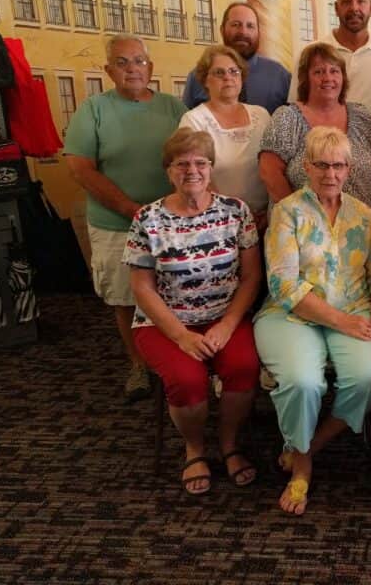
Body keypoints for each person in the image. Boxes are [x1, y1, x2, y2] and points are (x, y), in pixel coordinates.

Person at [255, 126, 371, 516]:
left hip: (356, 307)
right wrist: (342, 322)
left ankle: (306, 445)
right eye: (321, 165)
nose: (330, 174)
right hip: (292, 317)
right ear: (306, 166)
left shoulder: (362, 214)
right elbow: (284, 286)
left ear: (349, 169)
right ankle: (302, 466)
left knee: (368, 378)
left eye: (338, 165)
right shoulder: (287, 211)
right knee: (303, 382)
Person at [124, 128, 261, 495]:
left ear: (211, 168)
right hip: (164, 322)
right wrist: (181, 335)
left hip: (224, 315)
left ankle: (229, 442)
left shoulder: (237, 211)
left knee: (244, 366)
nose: (192, 170)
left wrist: (229, 324)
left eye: (200, 162)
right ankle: (195, 447)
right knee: (187, 381)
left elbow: (251, 277)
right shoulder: (147, 219)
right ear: (168, 171)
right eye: (181, 163)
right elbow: (141, 287)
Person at [64, 35, 186, 402]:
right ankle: (138, 366)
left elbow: (192, 158)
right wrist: (131, 209)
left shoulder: (173, 109)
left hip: (171, 224)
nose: (132, 69)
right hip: (117, 223)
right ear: (108, 70)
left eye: (139, 61)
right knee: (126, 297)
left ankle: (175, 356)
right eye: (122, 62)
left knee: (176, 294)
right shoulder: (93, 109)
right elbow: (81, 169)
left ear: (150, 67)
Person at [259, 42, 371, 215]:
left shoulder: (361, 115)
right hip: (303, 232)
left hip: (360, 230)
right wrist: (301, 218)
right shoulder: (287, 117)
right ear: (305, 78)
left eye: (334, 71)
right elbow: (269, 172)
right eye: (318, 72)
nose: (328, 78)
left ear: (343, 77)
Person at [179, 45, 270, 230]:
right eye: (219, 73)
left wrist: (269, 213)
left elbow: (276, 167)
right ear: (205, 79)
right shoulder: (194, 120)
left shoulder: (262, 115)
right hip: (218, 223)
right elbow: (192, 175)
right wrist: (235, 217)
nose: (228, 77)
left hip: (265, 220)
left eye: (233, 71)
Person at [183, 2, 291, 114]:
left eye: (250, 26)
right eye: (236, 25)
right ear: (222, 30)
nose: (243, 32)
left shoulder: (280, 76)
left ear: (259, 33)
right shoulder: (199, 76)